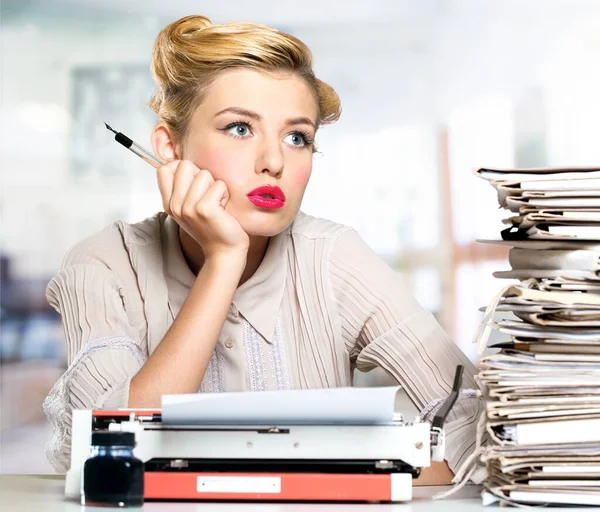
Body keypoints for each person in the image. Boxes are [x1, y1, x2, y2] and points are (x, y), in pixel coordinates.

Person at [43, 14, 482, 484]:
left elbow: (476, 425)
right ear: (169, 148)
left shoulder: (332, 258)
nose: (274, 161)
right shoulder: (105, 263)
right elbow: (113, 458)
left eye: (297, 137)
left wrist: (342, 479)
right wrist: (223, 262)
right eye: (239, 128)